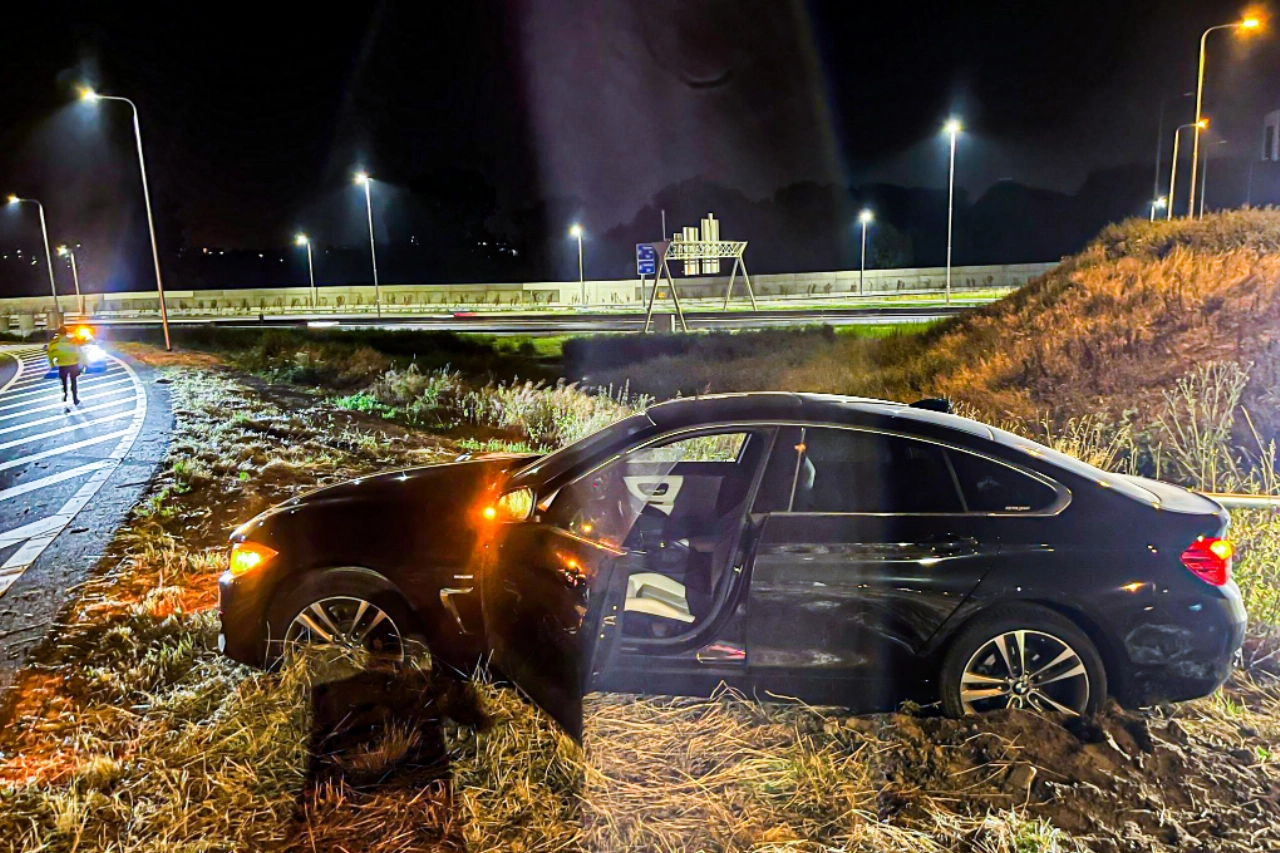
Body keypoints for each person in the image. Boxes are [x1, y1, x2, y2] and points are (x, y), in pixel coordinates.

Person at [46, 326, 85, 408]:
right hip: (73, 364)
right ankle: (75, 398)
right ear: (66, 332)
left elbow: (50, 354)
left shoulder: (54, 343)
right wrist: (83, 363)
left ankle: (65, 393)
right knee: (74, 381)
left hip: (62, 365)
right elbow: (80, 352)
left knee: (64, 381)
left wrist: (52, 365)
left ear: (58, 333)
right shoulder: (72, 341)